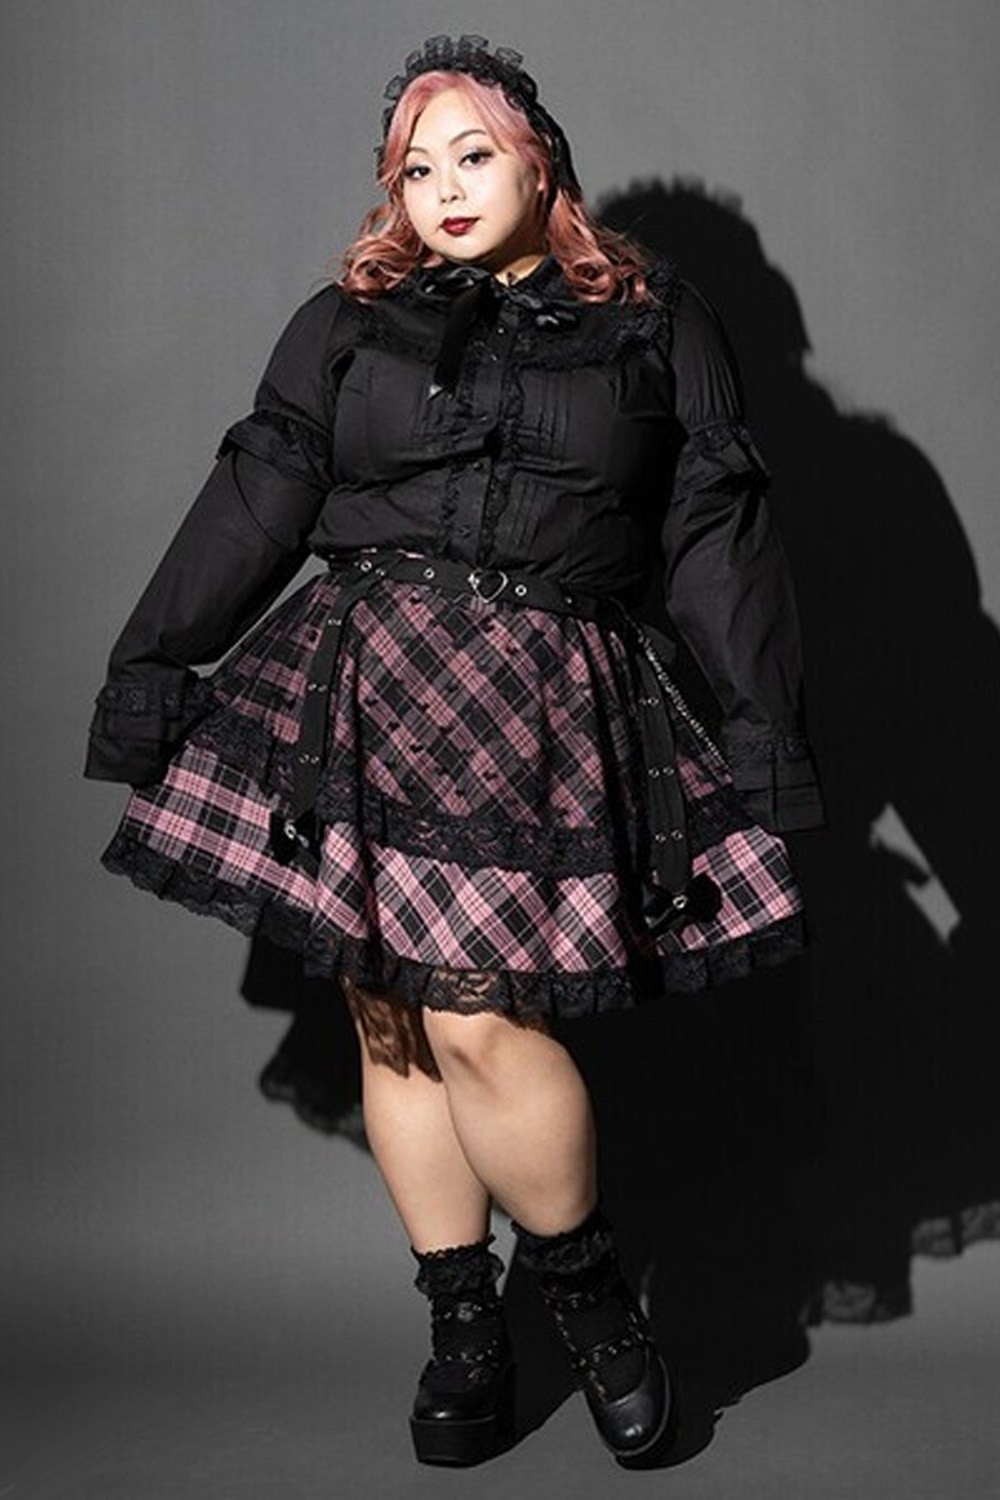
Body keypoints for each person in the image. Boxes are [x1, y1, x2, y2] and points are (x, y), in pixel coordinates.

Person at [85, 35, 823, 1468]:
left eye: (474, 155)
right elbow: (257, 494)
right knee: (390, 1014)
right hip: (365, 678)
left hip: (540, 695)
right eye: (416, 168)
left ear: (543, 162)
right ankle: (465, 1327)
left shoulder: (656, 322)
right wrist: (152, 662)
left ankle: (589, 1301)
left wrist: (764, 735)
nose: (445, 188)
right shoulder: (349, 322)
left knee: (482, 1016)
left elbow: (715, 540)